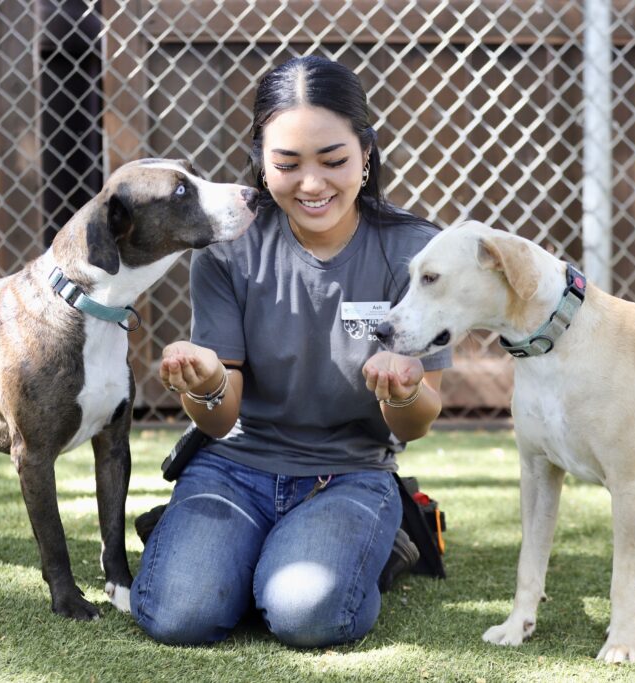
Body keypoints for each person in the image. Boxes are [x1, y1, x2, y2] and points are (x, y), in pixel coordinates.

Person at [130, 55, 452, 647]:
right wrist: (205, 384)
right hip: (234, 468)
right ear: (259, 161)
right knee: (181, 615)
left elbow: (423, 418)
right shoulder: (229, 249)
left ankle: (382, 533)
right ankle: (244, 557)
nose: (311, 184)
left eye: (333, 161)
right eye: (286, 164)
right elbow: (221, 417)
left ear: (366, 153)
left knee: (307, 615)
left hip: (350, 473)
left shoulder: (416, 251)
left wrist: (404, 390)